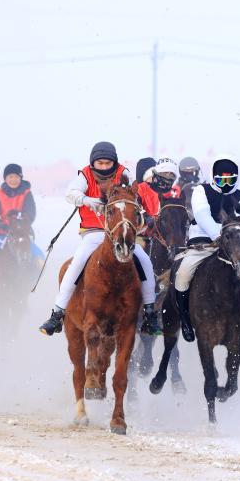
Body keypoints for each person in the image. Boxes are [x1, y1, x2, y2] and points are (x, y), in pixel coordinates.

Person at [38, 142, 160, 337]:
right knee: (77, 263)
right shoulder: (85, 175)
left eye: (107, 163)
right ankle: (57, 313)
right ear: (93, 163)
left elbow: (131, 196)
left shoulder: (123, 174)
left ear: (114, 162)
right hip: (93, 232)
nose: (104, 167)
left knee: (145, 261)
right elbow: (71, 193)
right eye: (100, 163)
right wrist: (87, 200)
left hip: (121, 232)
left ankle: (150, 313)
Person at [173, 155, 240, 344]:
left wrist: (235, 241)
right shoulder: (201, 190)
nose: (226, 183)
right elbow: (202, 215)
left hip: (232, 247)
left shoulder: (239, 194)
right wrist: (220, 237)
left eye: (230, 180)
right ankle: (186, 322)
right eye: (222, 180)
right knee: (182, 274)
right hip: (204, 242)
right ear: (214, 178)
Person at [0, 163, 45, 270]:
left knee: (40, 259)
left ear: (21, 178)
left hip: (22, 235)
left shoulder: (26, 193)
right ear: (5, 178)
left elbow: (31, 213)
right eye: (10, 177)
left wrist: (19, 217)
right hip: (0, 235)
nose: (13, 179)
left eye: (16, 177)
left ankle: (36, 284)